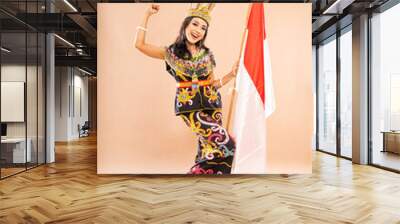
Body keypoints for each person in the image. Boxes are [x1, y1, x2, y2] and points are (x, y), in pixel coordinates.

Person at [135, 3, 238, 174]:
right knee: (227, 145)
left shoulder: (207, 55)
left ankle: (209, 190)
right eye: (195, 24)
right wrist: (147, 15)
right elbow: (140, 45)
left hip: (213, 105)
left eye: (203, 27)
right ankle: (194, 174)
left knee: (209, 151)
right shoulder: (171, 52)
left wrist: (231, 74)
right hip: (190, 107)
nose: (198, 30)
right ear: (186, 25)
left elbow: (212, 84)